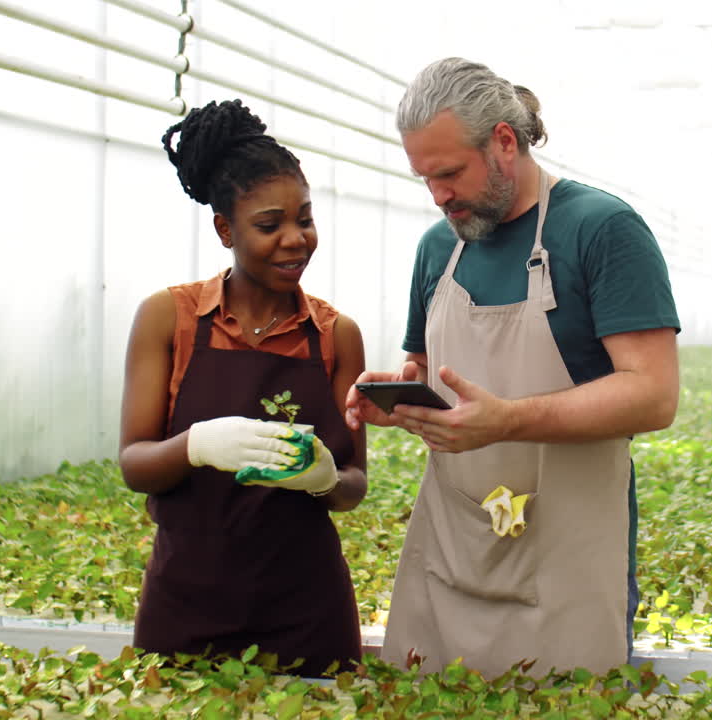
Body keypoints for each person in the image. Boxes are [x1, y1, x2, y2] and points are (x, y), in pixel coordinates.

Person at [345, 57, 681, 677]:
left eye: (449, 173)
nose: (439, 195)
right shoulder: (437, 247)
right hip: (452, 549)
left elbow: (653, 394)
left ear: (504, 141)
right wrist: (400, 397)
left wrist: (508, 420)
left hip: (566, 560)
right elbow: (423, 365)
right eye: (425, 179)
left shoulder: (601, 230)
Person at [118, 99, 368, 676]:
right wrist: (197, 446)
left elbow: (354, 485)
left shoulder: (334, 335)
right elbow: (134, 464)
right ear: (224, 228)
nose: (295, 239)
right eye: (269, 224)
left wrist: (325, 478)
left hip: (307, 610)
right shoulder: (169, 319)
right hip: (186, 603)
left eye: (304, 219)